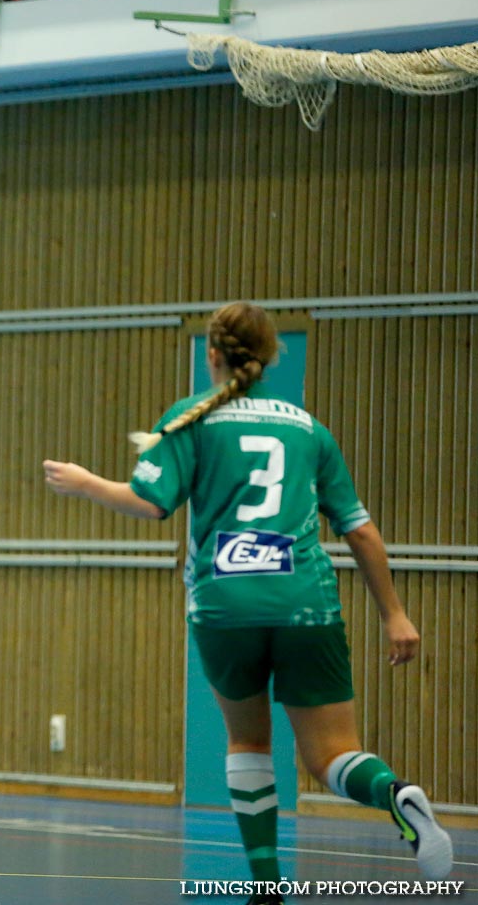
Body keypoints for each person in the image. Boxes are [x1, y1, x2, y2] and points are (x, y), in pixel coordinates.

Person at [42, 301, 452, 905]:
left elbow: (150, 502)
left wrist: (84, 483)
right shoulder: (309, 429)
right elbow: (360, 531)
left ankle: (266, 885)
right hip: (304, 603)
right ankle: (395, 796)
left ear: (213, 354)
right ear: (269, 356)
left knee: (249, 742)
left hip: (224, 607)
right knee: (332, 753)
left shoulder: (191, 419)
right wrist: (395, 613)